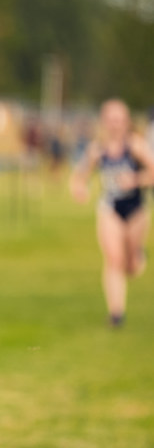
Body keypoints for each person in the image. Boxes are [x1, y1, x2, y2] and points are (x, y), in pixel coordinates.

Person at [70, 98, 154, 326]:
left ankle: (137, 255)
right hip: (110, 208)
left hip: (136, 209)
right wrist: (79, 189)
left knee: (131, 266)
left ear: (126, 122)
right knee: (113, 259)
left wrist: (135, 180)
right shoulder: (97, 149)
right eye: (110, 120)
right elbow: (80, 176)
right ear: (103, 122)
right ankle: (116, 314)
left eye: (119, 120)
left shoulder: (135, 145)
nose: (115, 124)